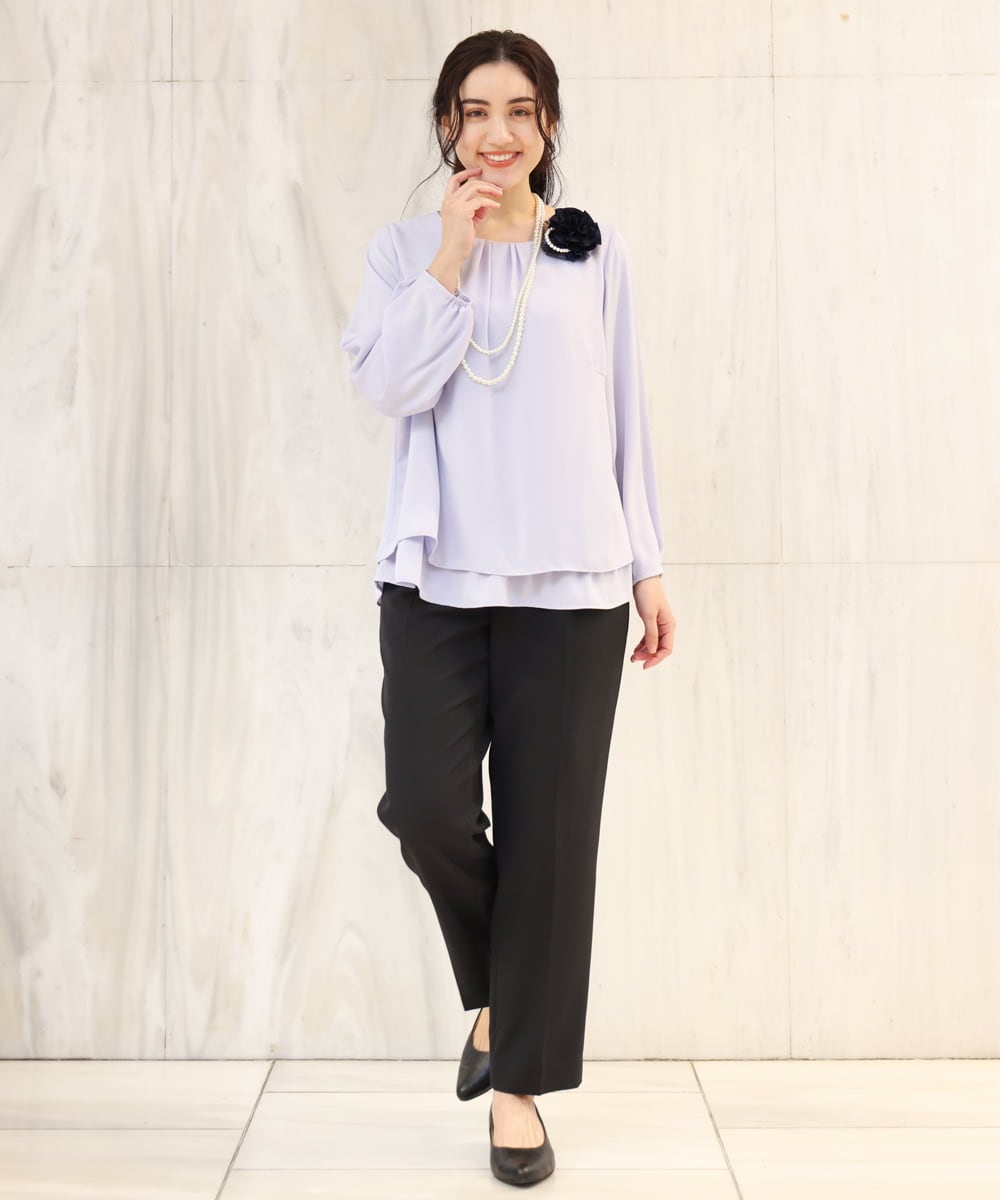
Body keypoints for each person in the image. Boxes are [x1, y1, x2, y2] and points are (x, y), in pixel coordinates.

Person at [340, 28, 677, 1188]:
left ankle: (517, 1087)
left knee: (550, 844)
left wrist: (647, 566)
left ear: (547, 126)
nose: (497, 132)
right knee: (425, 809)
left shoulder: (592, 251)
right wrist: (449, 253)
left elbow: (626, 412)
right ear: (446, 125)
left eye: (519, 111)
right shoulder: (401, 251)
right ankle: (499, 994)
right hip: (435, 580)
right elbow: (387, 383)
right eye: (475, 111)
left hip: (574, 586)